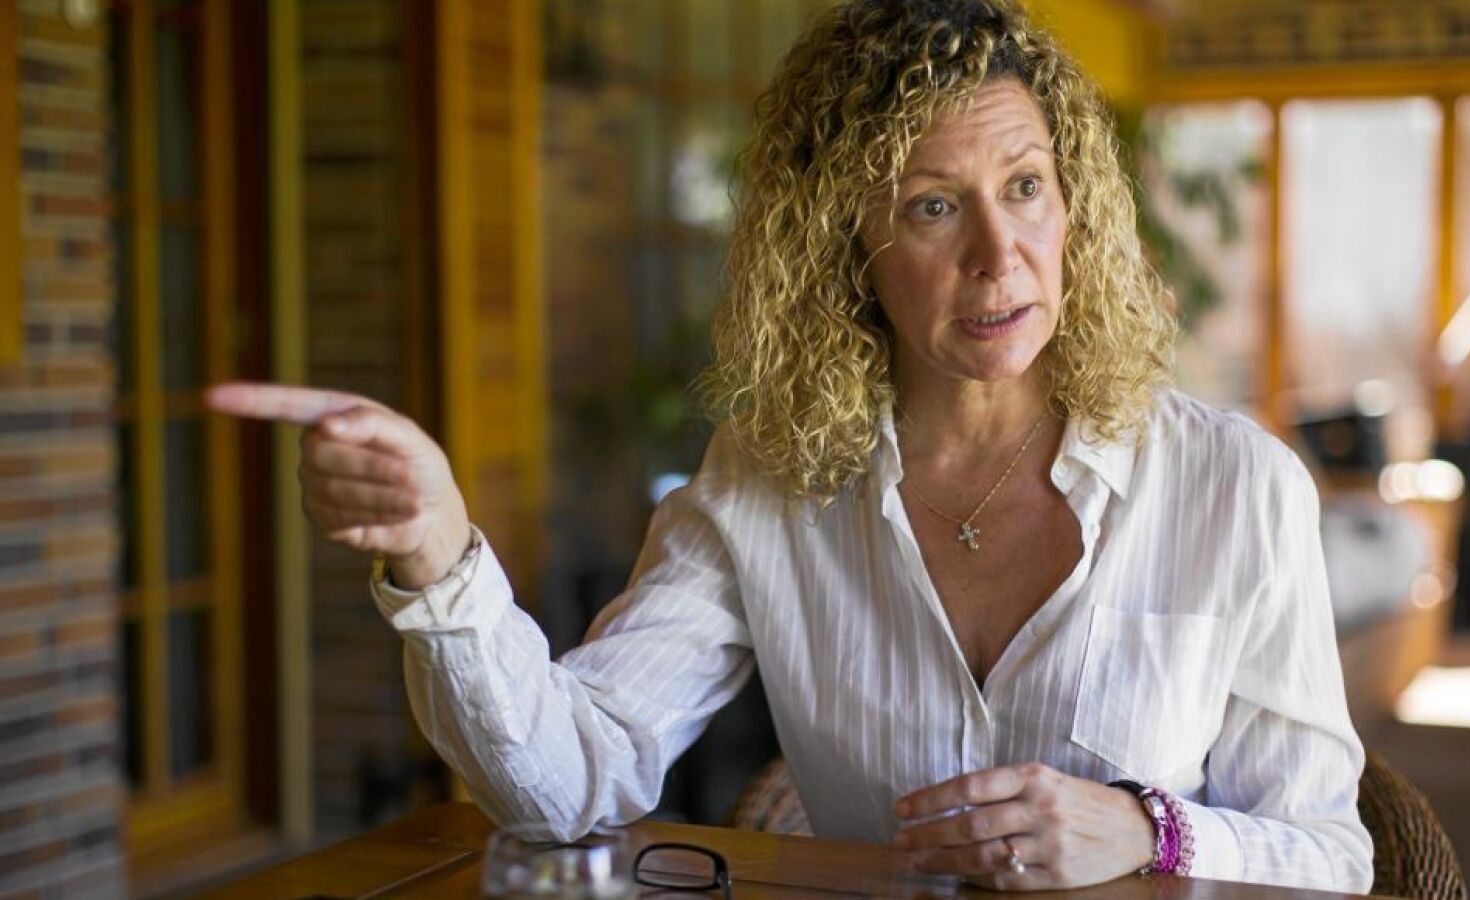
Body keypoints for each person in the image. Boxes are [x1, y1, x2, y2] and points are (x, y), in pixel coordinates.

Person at [206, 0, 1374, 892]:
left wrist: (1151, 830)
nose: (998, 253)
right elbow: (570, 783)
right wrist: (438, 556)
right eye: (931, 205)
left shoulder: (1234, 485)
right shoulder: (765, 481)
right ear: (843, 243)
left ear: (1074, 207)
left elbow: (1332, 854)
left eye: (1025, 186)